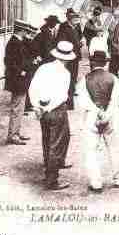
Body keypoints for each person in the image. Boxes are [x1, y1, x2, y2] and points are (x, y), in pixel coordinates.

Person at [76, 51, 119, 193]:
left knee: (91, 150)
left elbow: (82, 101)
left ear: (92, 63)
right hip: (110, 116)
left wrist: (96, 111)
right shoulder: (113, 79)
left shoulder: (84, 80)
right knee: (114, 148)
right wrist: (106, 114)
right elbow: (115, 101)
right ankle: (118, 178)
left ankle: (96, 182)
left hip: (92, 117)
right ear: (105, 63)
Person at [29, 41, 75, 190]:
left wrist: (37, 106)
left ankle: (48, 169)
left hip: (42, 109)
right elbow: (61, 96)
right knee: (58, 143)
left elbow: (33, 88)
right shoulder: (65, 73)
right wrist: (48, 108)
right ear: (67, 59)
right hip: (56, 110)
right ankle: (52, 179)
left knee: (47, 140)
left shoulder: (43, 68)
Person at [4, 20, 38, 146]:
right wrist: (21, 71)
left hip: (21, 79)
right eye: (26, 31)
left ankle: (16, 132)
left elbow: (30, 52)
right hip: (17, 79)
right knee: (16, 108)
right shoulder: (13, 43)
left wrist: (28, 39)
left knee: (20, 107)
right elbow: (10, 62)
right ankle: (12, 135)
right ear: (21, 30)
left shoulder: (20, 41)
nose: (27, 33)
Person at [57, 8, 83, 110]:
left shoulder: (77, 27)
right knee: (67, 78)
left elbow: (80, 36)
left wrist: (81, 42)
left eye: (77, 18)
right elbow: (61, 42)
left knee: (73, 78)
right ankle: (68, 101)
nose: (77, 21)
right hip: (67, 57)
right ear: (70, 19)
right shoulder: (64, 27)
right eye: (75, 18)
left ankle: (70, 100)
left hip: (75, 56)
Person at [107, 9, 119, 77]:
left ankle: (115, 72)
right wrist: (113, 43)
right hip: (114, 43)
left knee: (118, 58)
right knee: (114, 59)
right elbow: (111, 34)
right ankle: (112, 73)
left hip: (118, 42)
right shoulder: (113, 23)